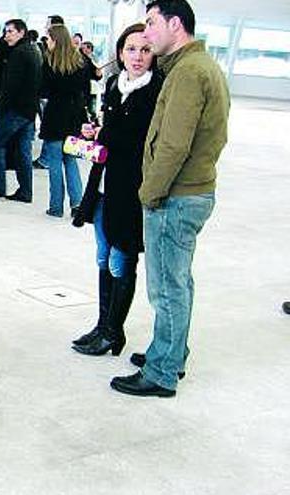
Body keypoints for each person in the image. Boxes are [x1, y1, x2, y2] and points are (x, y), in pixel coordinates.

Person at [111, 0, 229, 398]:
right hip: (190, 191)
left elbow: (174, 145)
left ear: (174, 24)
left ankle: (162, 372)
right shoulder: (196, 67)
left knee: (167, 288)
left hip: (176, 196)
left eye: (151, 22)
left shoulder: (189, 72)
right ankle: (170, 353)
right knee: (178, 282)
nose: (146, 32)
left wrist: (150, 191)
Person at [70, 23, 163, 357]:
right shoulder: (113, 84)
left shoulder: (157, 90)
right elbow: (111, 131)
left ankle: (113, 332)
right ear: (120, 53)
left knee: (121, 260)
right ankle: (102, 325)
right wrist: (94, 131)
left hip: (133, 188)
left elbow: (145, 144)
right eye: (130, 49)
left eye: (145, 49)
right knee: (102, 258)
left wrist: (106, 136)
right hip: (105, 185)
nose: (137, 56)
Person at [0, 19, 41, 202]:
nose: (6, 35)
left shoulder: (19, 53)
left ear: (21, 32)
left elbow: (11, 85)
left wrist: (2, 103)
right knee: (23, 151)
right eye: (6, 32)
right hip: (29, 110)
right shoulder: (32, 50)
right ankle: (25, 191)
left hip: (16, 110)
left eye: (10, 32)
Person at [40, 24, 88, 218]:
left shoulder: (49, 63)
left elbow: (44, 90)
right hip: (74, 117)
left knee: (54, 163)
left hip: (54, 116)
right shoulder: (80, 62)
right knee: (70, 161)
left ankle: (56, 207)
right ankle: (77, 204)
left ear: (56, 40)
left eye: (49, 39)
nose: (47, 42)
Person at [81, 41, 103, 123]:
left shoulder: (93, 60)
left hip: (91, 89)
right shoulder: (81, 60)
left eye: (87, 48)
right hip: (83, 89)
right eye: (82, 48)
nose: (84, 50)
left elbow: (97, 76)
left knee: (92, 111)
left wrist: (99, 73)